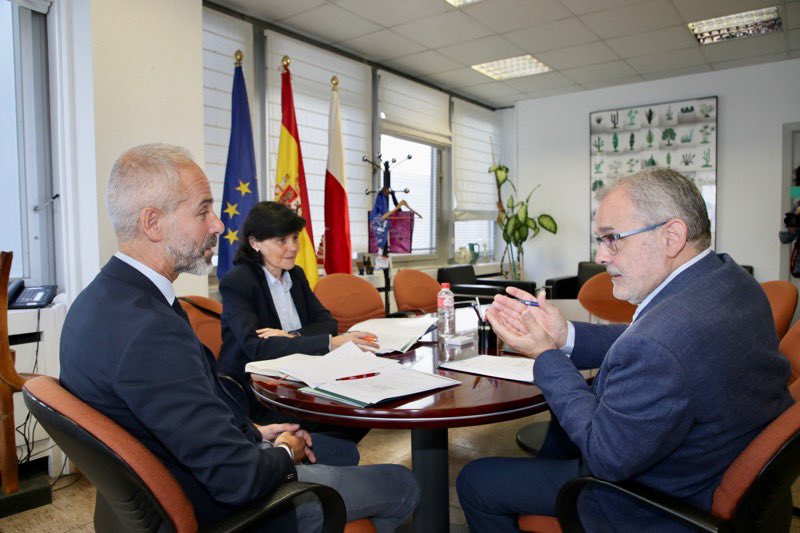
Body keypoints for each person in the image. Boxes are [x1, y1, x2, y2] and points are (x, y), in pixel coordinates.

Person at [59, 144, 419, 532]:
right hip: (232, 510)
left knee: (338, 450)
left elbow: (180, 419)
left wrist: (255, 432)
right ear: (153, 223)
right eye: (203, 211)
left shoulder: (99, 301)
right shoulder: (149, 331)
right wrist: (283, 451)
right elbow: (238, 480)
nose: (218, 224)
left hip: (185, 479)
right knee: (402, 483)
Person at [456, 168, 793, 531]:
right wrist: (563, 334)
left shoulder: (660, 343)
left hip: (652, 502)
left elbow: (606, 458)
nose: (601, 255)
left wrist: (545, 354)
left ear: (672, 236)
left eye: (613, 238)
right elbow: (646, 338)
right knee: (562, 426)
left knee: (475, 479)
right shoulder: (732, 280)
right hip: (713, 462)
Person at [218, 201, 377, 443]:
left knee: (360, 408)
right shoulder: (238, 282)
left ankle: (317, 461)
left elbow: (328, 322)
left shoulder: (296, 275)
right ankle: (301, 462)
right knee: (344, 416)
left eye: (295, 237)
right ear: (255, 243)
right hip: (258, 391)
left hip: (300, 377)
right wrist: (327, 343)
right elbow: (257, 348)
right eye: (281, 240)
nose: (293, 247)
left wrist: (291, 337)